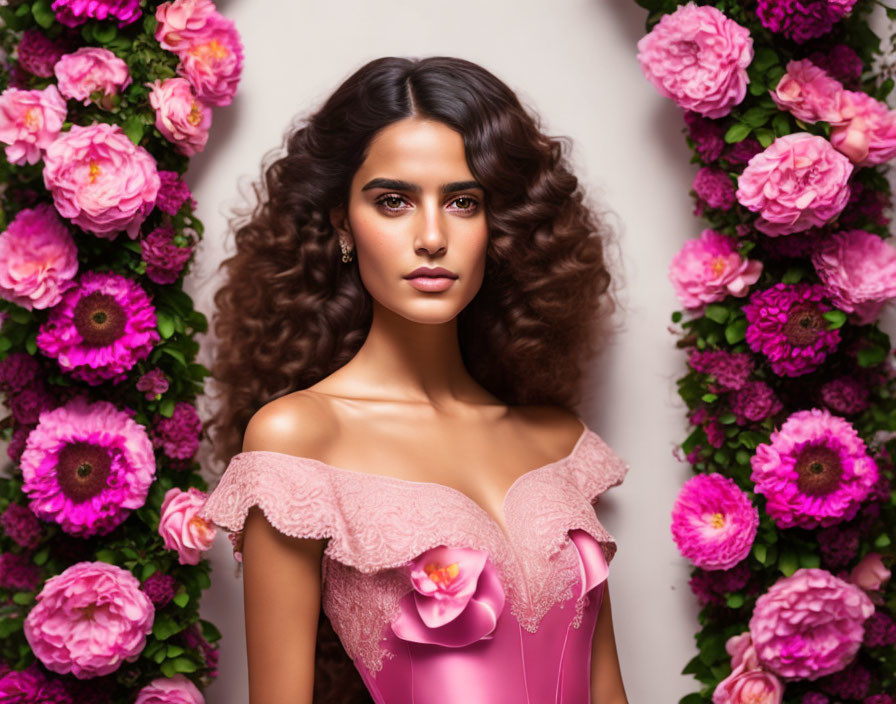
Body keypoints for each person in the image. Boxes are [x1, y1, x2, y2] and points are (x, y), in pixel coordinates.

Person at [199, 55, 630, 704]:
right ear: (343, 223)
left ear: (499, 225)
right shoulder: (299, 442)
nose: (432, 237)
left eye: (462, 202)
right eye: (394, 201)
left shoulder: (559, 446)